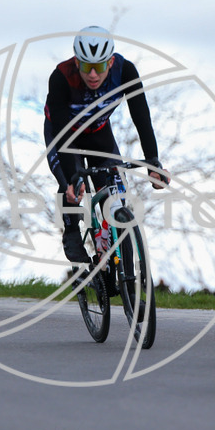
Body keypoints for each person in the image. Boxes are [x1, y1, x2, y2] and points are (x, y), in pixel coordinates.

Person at [44, 26, 169, 264]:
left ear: (110, 63)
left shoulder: (125, 72)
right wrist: (73, 178)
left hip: (98, 134)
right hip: (62, 134)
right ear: (76, 62)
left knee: (115, 195)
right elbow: (61, 134)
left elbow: (141, 115)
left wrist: (153, 161)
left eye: (99, 67)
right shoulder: (61, 76)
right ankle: (71, 231)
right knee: (73, 186)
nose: (92, 74)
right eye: (86, 66)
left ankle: (117, 256)